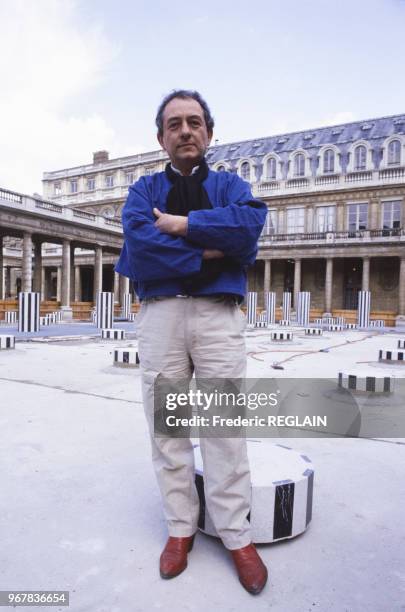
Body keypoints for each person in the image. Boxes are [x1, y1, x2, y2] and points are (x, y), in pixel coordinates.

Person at [115, 89, 268, 595]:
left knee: (225, 428)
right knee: (169, 430)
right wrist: (210, 252)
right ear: (161, 137)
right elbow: (139, 244)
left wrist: (184, 225)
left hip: (217, 315)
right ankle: (180, 528)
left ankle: (236, 534)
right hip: (160, 315)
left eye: (195, 122)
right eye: (175, 123)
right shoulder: (143, 190)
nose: (186, 130)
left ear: (209, 133)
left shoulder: (230, 185)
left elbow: (249, 227)